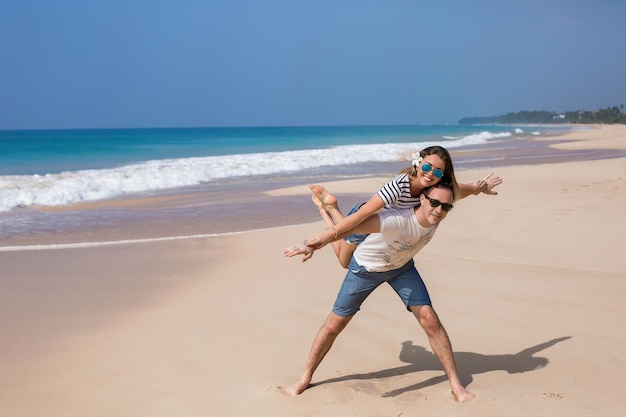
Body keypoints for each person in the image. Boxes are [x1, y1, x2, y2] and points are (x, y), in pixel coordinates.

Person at [283, 182, 476, 402]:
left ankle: (455, 384)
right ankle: (305, 377)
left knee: (430, 319)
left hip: (401, 268)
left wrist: (480, 187)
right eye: (434, 203)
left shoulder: (437, 213)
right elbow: (347, 228)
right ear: (422, 199)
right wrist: (310, 245)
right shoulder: (397, 222)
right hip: (365, 269)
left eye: (446, 207)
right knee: (334, 324)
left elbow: (462, 192)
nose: (439, 210)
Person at [303, 146, 502, 256]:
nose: (430, 173)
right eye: (427, 167)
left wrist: (479, 188)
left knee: (345, 256)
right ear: (418, 163)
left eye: (438, 171)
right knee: (344, 260)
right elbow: (363, 214)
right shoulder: (398, 186)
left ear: (442, 176)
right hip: (364, 217)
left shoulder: (432, 189)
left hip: (379, 226)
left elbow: (458, 190)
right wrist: (324, 236)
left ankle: (329, 207)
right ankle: (329, 208)